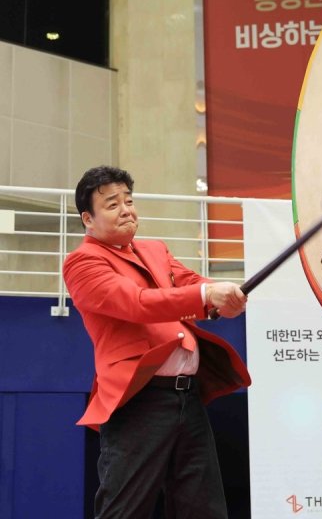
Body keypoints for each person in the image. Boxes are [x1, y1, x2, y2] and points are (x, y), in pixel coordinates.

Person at [63, 165, 251, 519]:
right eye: (112, 204)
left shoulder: (154, 249)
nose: (126, 209)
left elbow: (190, 282)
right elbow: (136, 303)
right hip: (140, 400)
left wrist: (223, 296)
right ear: (88, 218)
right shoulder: (82, 262)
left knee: (204, 508)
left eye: (129, 200)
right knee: (125, 510)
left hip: (187, 397)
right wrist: (206, 293)